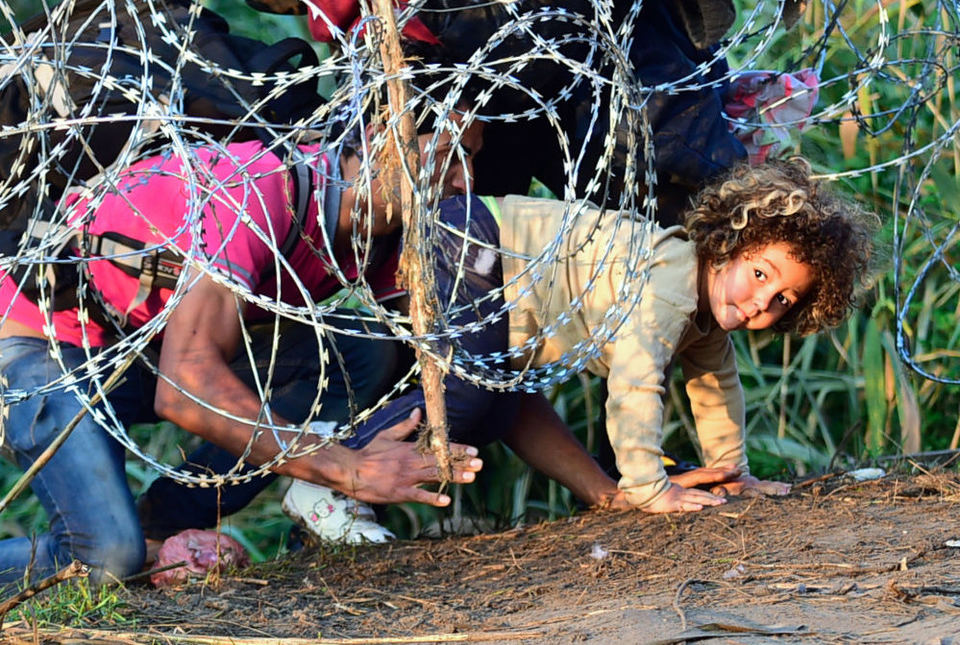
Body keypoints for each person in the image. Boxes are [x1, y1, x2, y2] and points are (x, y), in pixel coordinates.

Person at [0, 106, 486, 590]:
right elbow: (184, 389)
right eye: (453, 154)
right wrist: (347, 467)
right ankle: (130, 548)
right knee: (107, 558)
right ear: (383, 134)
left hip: (135, 347)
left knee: (361, 353)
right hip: (36, 345)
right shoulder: (257, 189)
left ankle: (161, 526)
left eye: (474, 160)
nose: (465, 182)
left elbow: (461, 356)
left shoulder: (374, 241)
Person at [343, 157, 877, 511]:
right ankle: (335, 466)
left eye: (783, 299)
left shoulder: (706, 314)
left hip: (491, 266)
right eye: (760, 274)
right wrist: (649, 488)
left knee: (494, 407)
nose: (762, 302)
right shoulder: (672, 283)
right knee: (463, 398)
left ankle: (343, 470)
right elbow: (635, 384)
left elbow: (717, 389)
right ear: (729, 244)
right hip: (475, 242)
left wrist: (734, 474)